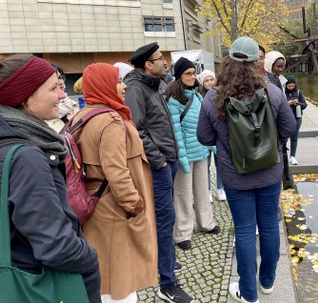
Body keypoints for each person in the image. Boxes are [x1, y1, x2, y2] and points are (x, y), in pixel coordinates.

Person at [197, 36, 296, 303]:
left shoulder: (212, 98)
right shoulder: (272, 92)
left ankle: (249, 294)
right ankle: (267, 282)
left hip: (234, 176)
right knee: (269, 227)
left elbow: (204, 138)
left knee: (243, 231)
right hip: (269, 173)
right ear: (256, 62)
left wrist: (227, 143)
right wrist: (272, 146)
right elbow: (289, 128)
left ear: (227, 60)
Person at [0, 54, 101, 303]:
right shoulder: (27, 157)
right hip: (37, 280)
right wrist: (90, 259)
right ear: (24, 96)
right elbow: (55, 244)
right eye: (54, 87)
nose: (63, 95)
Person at [71, 63, 158, 302]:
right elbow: (117, 172)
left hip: (96, 204)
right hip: (114, 211)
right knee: (119, 282)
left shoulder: (82, 115)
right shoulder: (110, 120)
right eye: (118, 81)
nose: (124, 86)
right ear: (104, 85)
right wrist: (134, 204)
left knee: (105, 276)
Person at [124, 43, 192, 303]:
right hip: (160, 165)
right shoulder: (136, 89)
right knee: (164, 220)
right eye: (159, 59)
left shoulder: (153, 86)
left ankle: (168, 263)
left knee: (167, 217)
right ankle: (167, 283)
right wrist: (159, 161)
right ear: (147, 65)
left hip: (168, 162)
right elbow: (136, 129)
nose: (165, 63)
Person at [166, 58, 220, 251]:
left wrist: (212, 147)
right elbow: (175, 131)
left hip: (201, 151)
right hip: (185, 155)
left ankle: (206, 222)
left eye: (192, 73)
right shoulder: (173, 99)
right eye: (187, 73)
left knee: (202, 190)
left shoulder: (197, 96)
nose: (191, 76)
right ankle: (182, 233)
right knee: (182, 195)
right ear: (179, 76)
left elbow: (206, 123)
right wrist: (182, 157)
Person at [198, 69, 226, 202]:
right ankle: (207, 190)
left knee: (220, 165)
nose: (209, 82)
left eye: (211, 79)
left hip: (217, 136)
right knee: (206, 167)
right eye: (206, 80)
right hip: (204, 138)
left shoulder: (219, 94)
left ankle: (221, 188)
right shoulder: (199, 97)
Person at [47, 65, 79, 132]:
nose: (61, 82)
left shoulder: (72, 106)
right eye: (55, 79)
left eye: (60, 77)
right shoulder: (40, 117)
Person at [284, 75, 307, 165]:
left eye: (292, 86)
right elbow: (279, 105)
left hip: (297, 118)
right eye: (289, 86)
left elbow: (305, 105)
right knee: (284, 138)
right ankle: (283, 155)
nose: (291, 88)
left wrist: (298, 103)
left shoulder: (298, 92)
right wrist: (288, 103)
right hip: (286, 119)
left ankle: (292, 156)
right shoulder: (282, 93)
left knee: (294, 138)